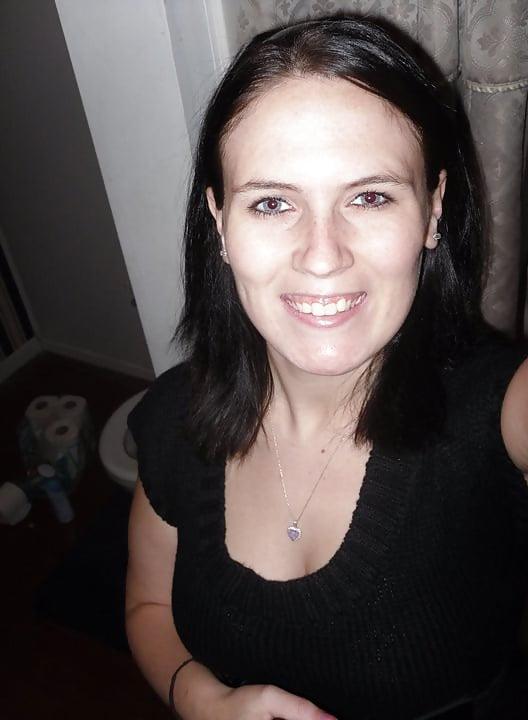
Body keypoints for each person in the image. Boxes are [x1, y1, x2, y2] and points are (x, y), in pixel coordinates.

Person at [124, 15, 528, 720]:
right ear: (220, 224)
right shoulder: (171, 420)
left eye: (369, 197)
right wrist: (201, 699)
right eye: (272, 202)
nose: (321, 255)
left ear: (433, 210)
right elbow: (148, 606)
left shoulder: (503, 408)